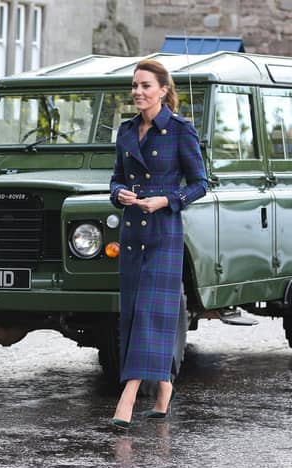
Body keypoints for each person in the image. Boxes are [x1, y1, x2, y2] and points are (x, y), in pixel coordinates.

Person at [109, 59, 208, 429]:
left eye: (145, 86)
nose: (137, 92)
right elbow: (116, 177)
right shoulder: (126, 130)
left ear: (163, 90)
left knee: (151, 313)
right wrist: (118, 194)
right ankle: (164, 389)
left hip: (164, 232)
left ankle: (129, 395)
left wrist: (166, 200)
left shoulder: (181, 130)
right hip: (132, 233)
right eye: (134, 85)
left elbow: (200, 183)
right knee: (135, 314)